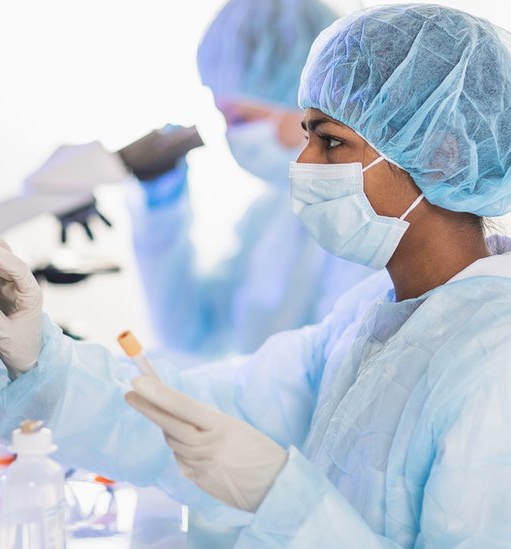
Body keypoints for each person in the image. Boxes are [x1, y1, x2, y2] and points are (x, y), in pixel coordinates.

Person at [0, 4, 511, 547]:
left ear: (442, 155)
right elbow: (208, 407)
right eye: (306, 134)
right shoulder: (376, 320)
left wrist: (282, 498)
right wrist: (41, 361)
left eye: (330, 141)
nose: (302, 164)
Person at [129, 0, 374, 358]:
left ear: (305, 99)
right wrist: (160, 210)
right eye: (224, 117)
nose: (232, 135)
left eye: (242, 119)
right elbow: (193, 334)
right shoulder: (271, 211)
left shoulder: (366, 218)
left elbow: (330, 371)